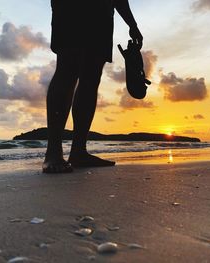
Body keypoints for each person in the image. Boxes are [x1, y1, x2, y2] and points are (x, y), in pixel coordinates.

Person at [43, 0, 143, 173]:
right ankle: (53, 152)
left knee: (91, 77)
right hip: (70, 6)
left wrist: (132, 23)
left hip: (102, 10)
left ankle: (79, 151)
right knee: (67, 69)